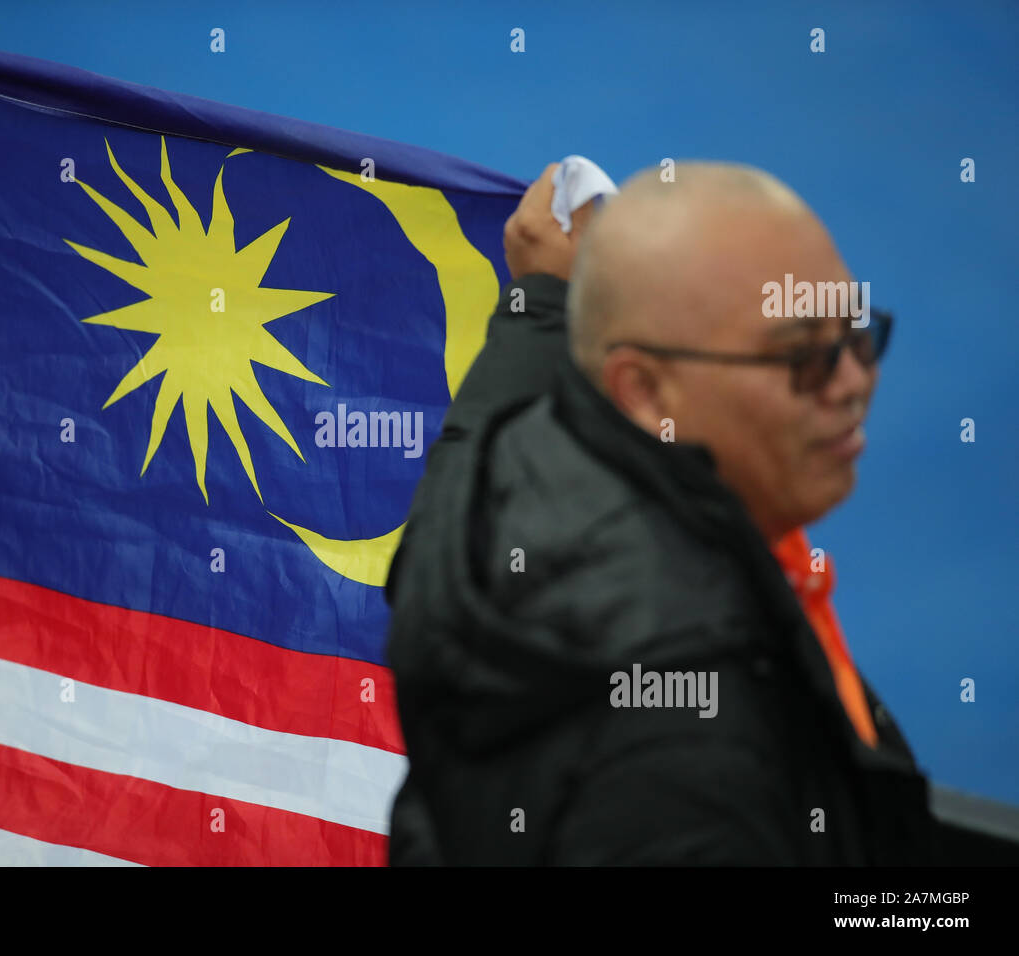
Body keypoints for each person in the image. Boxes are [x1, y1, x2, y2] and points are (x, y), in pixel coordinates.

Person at [384, 161, 937, 865]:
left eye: (858, 334)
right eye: (802, 356)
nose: (856, 382)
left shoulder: (501, 487)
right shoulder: (696, 756)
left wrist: (547, 302)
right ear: (643, 391)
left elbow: (452, 487)